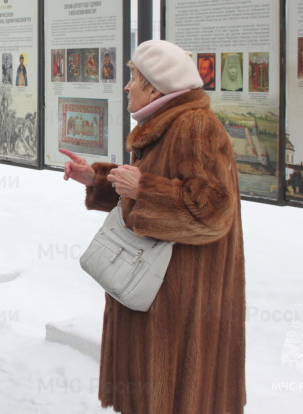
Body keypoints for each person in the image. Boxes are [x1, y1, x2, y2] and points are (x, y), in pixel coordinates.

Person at [61, 40, 245, 414]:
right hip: (158, 292)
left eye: (134, 78)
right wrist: (95, 181)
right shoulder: (166, 124)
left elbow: (213, 212)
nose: (127, 86)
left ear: (156, 88)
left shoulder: (194, 126)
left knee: (175, 401)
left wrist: (144, 189)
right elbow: (142, 197)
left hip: (183, 304)